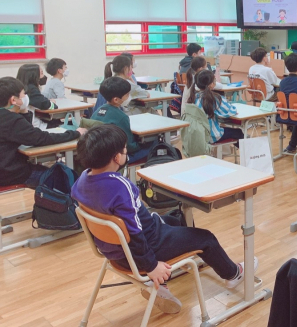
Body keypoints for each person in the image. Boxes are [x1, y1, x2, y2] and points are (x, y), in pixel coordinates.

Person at [71, 124, 255, 315]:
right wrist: (151, 266)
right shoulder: (121, 187)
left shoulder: (82, 180)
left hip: (114, 251)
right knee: (206, 238)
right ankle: (233, 274)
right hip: (144, 249)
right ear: (117, 158)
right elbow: (134, 233)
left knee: (175, 221)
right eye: (125, 150)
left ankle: (164, 283)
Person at [0, 77, 86, 187]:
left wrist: (24, 111)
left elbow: (27, 134)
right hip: (11, 174)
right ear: (13, 100)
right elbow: (41, 139)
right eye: (23, 94)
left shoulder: (8, 117)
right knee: (64, 178)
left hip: (5, 169)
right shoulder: (11, 120)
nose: (26, 97)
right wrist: (75, 133)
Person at [91, 76, 152, 164]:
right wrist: (143, 143)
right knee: (154, 143)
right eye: (127, 95)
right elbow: (130, 146)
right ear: (116, 99)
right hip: (117, 157)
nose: (129, 97)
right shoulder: (121, 117)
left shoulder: (97, 111)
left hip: (101, 155)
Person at [187, 70, 244, 145]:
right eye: (214, 80)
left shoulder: (194, 97)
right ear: (211, 84)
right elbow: (229, 111)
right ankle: (246, 155)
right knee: (239, 132)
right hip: (212, 136)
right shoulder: (213, 98)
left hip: (199, 135)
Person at [16, 63, 57, 129]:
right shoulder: (31, 89)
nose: (43, 76)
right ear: (33, 75)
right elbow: (47, 105)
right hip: (34, 125)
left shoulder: (18, 87)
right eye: (41, 73)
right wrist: (52, 103)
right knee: (58, 122)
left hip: (23, 122)